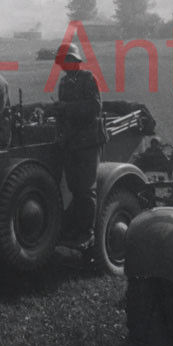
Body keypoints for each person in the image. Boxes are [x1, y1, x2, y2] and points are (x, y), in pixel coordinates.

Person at [51, 42, 108, 245]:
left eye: (66, 60)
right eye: (61, 61)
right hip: (72, 141)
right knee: (75, 187)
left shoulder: (88, 78)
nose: (63, 65)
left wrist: (67, 108)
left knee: (86, 188)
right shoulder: (64, 82)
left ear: (75, 61)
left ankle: (88, 232)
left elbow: (95, 107)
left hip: (88, 140)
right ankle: (77, 228)